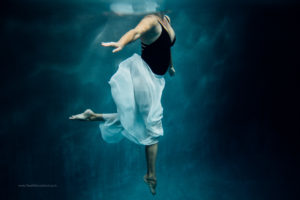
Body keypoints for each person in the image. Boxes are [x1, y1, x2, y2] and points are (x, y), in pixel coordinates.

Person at [69, 12, 176, 195]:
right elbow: (135, 32)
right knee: (152, 126)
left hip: (157, 79)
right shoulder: (150, 19)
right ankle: (151, 176)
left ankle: (92, 116)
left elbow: (166, 46)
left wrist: (170, 65)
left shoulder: (166, 18)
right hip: (145, 76)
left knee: (137, 120)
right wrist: (122, 42)